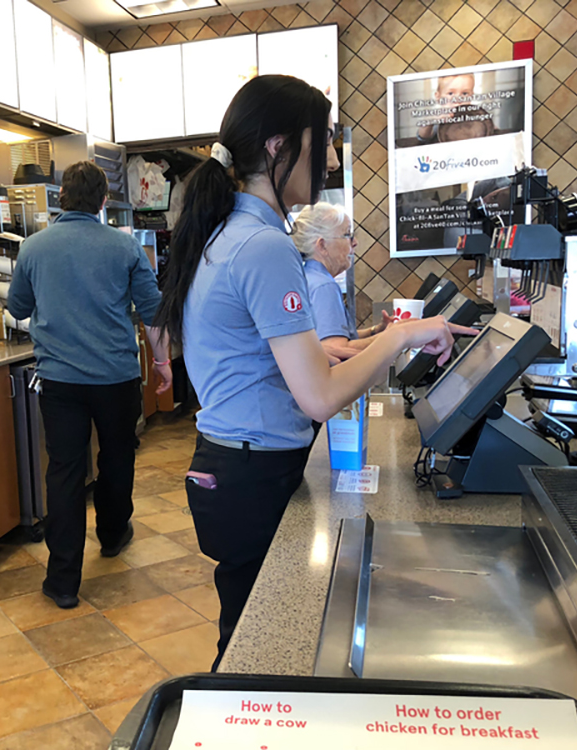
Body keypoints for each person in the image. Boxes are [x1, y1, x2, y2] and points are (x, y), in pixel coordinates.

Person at [153, 75, 473, 669]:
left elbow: (262, 354)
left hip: (230, 463)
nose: (329, 157)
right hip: (253, 474)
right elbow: (319, 398)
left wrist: (354, 347)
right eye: (322, 140)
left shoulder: (231, 232)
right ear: (278, 146)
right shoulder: (263, 245)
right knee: (258, 646)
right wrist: (402, 334)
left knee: (249, 632)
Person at [8, 161, 173, 609]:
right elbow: (151, 311)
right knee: (117, 457)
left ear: (62, 198)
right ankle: (114, 534)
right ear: (103, 201)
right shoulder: (123, 248)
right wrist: (163, 363)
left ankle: (62, 580)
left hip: (59, 379)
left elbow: (18, 307)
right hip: (116, 376)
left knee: (64, 471)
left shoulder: (34, 248)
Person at [291, 203, 393, 359]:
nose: (355, 242)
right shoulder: (324, 286)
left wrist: (375, 331)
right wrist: (397, 336)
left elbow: (330, 337)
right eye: (347, 235)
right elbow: (335, 349)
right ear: (322, 245)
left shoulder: (306, 276)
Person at [416, 73, 476, 144]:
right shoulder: (441, 117)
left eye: (465, 93)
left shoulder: (475, 115)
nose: (457, 99)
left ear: (472, 97)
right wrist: (431, 120)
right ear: (438, 97)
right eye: (450, 93)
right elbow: (423, 137)